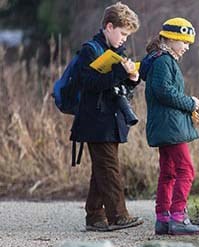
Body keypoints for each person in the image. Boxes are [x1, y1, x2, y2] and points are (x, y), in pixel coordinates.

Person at [70, 1, 143, 232]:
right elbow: (89, 83)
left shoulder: (118, 53)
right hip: (95, 121)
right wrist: (121, 71)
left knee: (101, 168)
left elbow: (119, 89)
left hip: (110, 121)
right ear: (109, 27)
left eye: (127, 35)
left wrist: (132, 80)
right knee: (109, 168)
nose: (124, 39)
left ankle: (94, 215)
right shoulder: (90, 50)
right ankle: (118, 216)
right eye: (122, 33)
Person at [140, 17, 199, 235]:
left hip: (165, 126)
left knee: (169, 171)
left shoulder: (161, 59)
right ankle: (178, 217)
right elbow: (163, 90)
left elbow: (162, 90)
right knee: (186, 170)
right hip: (171, 128)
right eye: (184, 42)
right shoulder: (164, 61)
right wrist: (190, 103)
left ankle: (163, 218)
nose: (186, 47)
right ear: (172, 39)